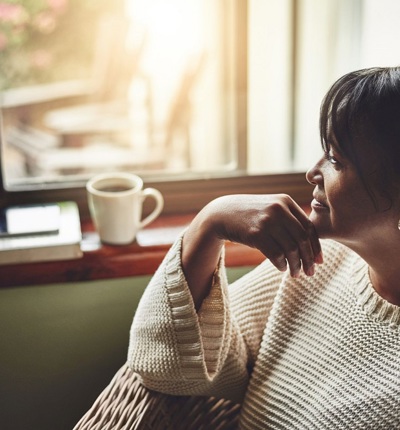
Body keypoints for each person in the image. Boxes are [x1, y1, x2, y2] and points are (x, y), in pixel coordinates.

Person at [128, 67, 400, 429]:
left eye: (336, 160)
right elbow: (164, 368)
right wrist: (212, 221)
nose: (312, 172)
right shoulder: (322, 262)